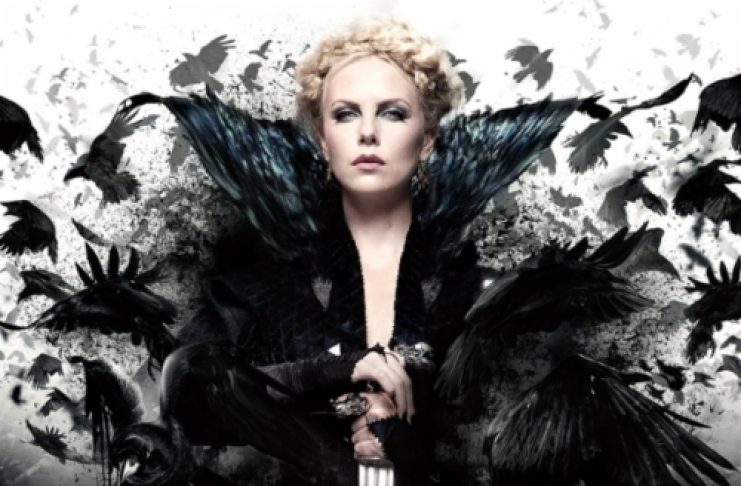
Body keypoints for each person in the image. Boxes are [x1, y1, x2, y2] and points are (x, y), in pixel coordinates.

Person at [121, 16, 585, 486]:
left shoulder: (469, 291)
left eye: (392, 113)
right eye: (346, 114)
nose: (367, 133)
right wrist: (344, 374)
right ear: (323, 140)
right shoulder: (260, 287)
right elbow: (186, 388)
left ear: (426, 138)